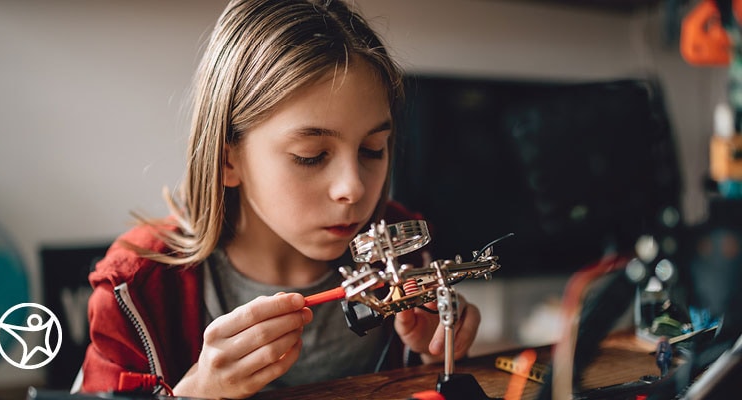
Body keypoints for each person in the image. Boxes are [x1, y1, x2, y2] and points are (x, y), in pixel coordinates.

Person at [79, 0, 481, 398]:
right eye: (311, 155)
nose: (353, 188)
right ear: (227, 159)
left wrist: (438, 359)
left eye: (373, 148)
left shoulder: (405, 253)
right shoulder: (135, 289)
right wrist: (195, 393)